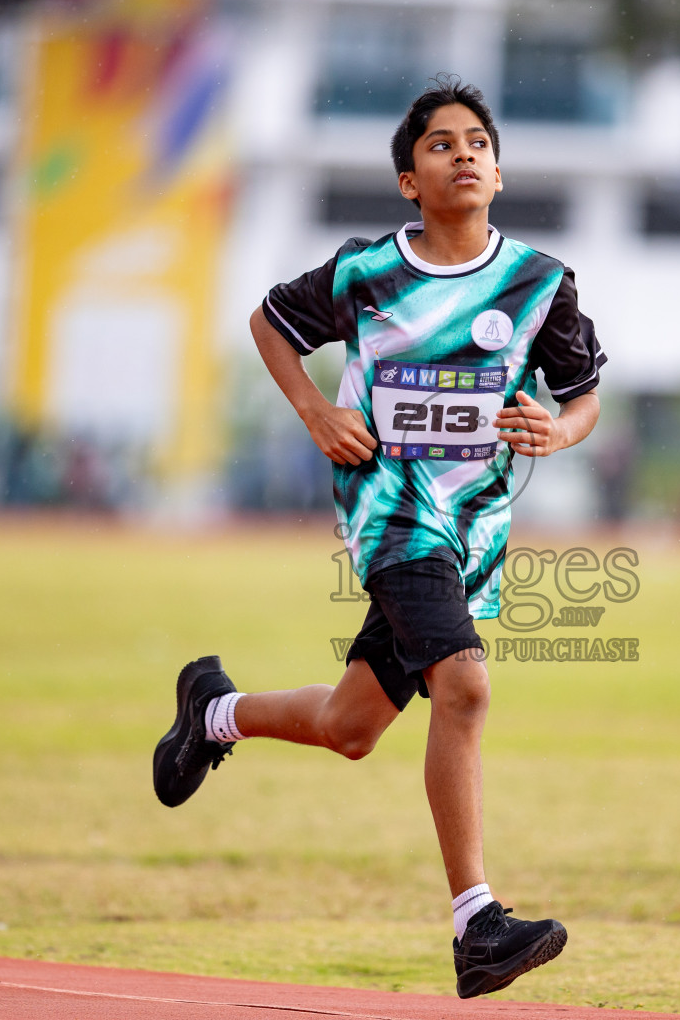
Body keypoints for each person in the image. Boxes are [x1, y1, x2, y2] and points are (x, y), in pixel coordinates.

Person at [153, 76, 605, 999]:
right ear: (409, 180)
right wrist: (317, 410)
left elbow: (585, 396)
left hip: (476, 529)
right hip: (391, 515)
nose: (464, 153)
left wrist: (557, 431)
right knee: (466, 688)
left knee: (351, 727)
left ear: (501, 170)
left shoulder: (539, 283)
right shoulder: (366, 273)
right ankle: (477, 923)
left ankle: (212, 712)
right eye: (441, 144)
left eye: (478, 141)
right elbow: (271, 324)